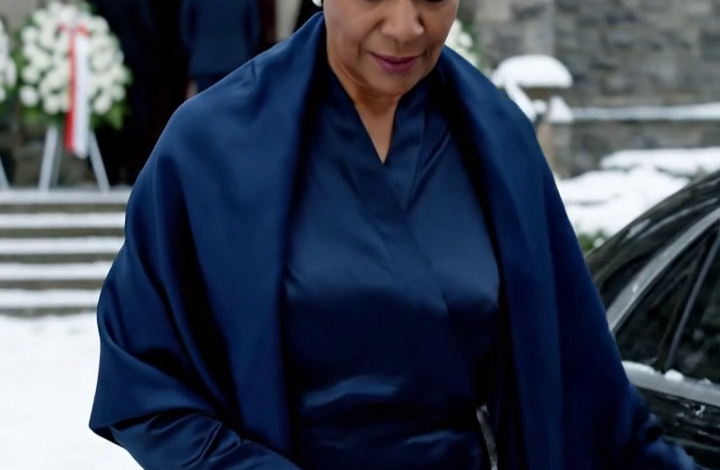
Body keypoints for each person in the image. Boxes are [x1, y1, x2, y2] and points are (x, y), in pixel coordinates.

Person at [88, 2, 701, 470]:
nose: (406, 27)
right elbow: (147, 387)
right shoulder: (210, 145)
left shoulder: (499, 140)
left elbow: (588, 391)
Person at [87, 0, 163, 185]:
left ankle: (108, 170)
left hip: (103, 60)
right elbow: (147, 22)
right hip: (137, 59)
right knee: (139, 117)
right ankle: (134, 168)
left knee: (109, 118)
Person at [180, 0, 262, 94]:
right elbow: (254, 31)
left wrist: (197, 50)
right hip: (236, 60)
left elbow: (186, 28)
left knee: (207, 101)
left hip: (204, 61)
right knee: (233, 101)